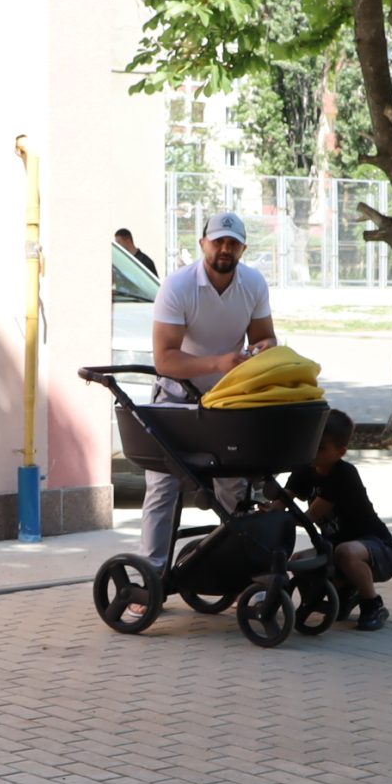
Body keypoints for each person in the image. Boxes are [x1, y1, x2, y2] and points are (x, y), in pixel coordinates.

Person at [142, 212, 275, 580]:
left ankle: (238, 571)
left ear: (243, 248)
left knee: (234, 484)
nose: (225, 249)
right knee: (163, 485)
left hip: (227, 400)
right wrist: (219, 363)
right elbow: (165, 360)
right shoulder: (179, 285)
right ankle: (150, 576)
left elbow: (265, 337)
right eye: (218, 241)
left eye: (233, 243)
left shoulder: (253, 283)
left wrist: (263, 349)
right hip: (176, 397)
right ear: (203, 244)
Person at [284, 409, 392, 630]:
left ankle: (372, 604)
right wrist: (266, 512)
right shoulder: (305, 469)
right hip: (336, 549)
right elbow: (282, 500)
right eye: (311, 444)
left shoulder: (344, 474)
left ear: (341, 452)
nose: (313, 452)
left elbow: (310, 517)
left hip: (380, 550)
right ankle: (335, 597)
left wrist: (279, 517)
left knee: (345, 552)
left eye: (321, 448)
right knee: (298, 561)